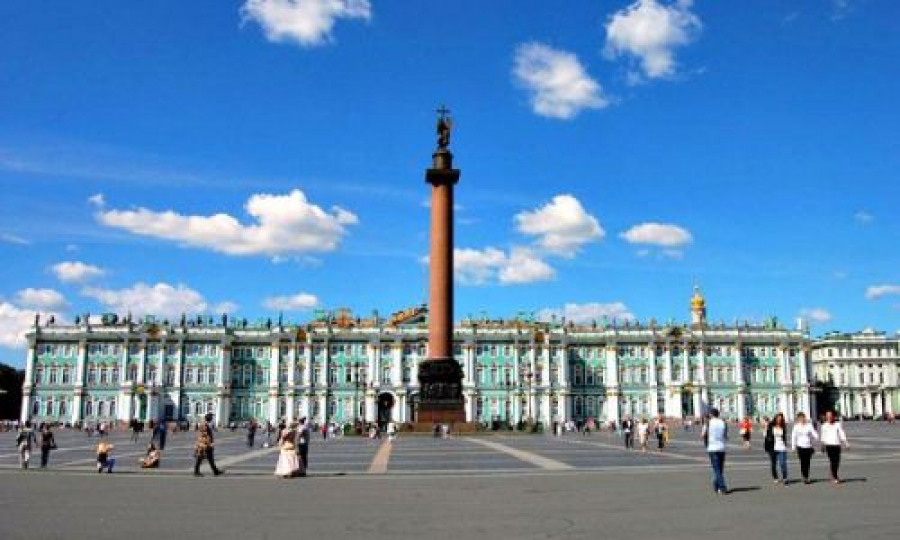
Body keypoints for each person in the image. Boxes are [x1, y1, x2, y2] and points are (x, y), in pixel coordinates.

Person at [702, 408, 728, 495]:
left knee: (716, 469)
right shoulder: (723, 422)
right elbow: (725, 435)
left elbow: (703, 434)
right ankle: (716, 486)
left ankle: (723, 487)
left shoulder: (708, 423)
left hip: (712, 448)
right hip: (721, 447)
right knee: (720, 469)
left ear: (711, 414)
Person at [819, 410, 849, 484]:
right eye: (827, 416)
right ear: (826, 417)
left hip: (837, 445)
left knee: (837, 461)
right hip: (829, 445)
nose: (829, 417)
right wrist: (822, 445)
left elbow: (842, 433)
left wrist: (846, 443)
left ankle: (833, 474)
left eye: (830, 416)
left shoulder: (837, 424)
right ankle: (835, 477)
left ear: (833, 416)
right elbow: (823, 436)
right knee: (833, 461)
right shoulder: (824, 426)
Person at [791, 412, 818, 484]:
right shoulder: (796, 426)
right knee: (802, 462)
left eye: (802, 418)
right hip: (800, 446)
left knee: (807, 462)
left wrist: (816, 437)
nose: (802, 419)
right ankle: (805, 477)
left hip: (808, 446)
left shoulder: (809, 425)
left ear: (804, 418)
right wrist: (793, 447)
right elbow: (793, 437)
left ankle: (806, 475)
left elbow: (814, 433)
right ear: (798, 419)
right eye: (800, 418)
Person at [764, 412, 789, 485]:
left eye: (780, 419)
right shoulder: (771, 425)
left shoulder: (783, 426)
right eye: (778, 418)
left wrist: (785, 444)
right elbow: (767, 435)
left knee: (783, 463)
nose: (779, 420)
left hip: (781, 447)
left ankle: (785, 478)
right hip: (772, 447)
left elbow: (784, 436)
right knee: (773, 464)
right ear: (775, 418)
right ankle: (775, 477)